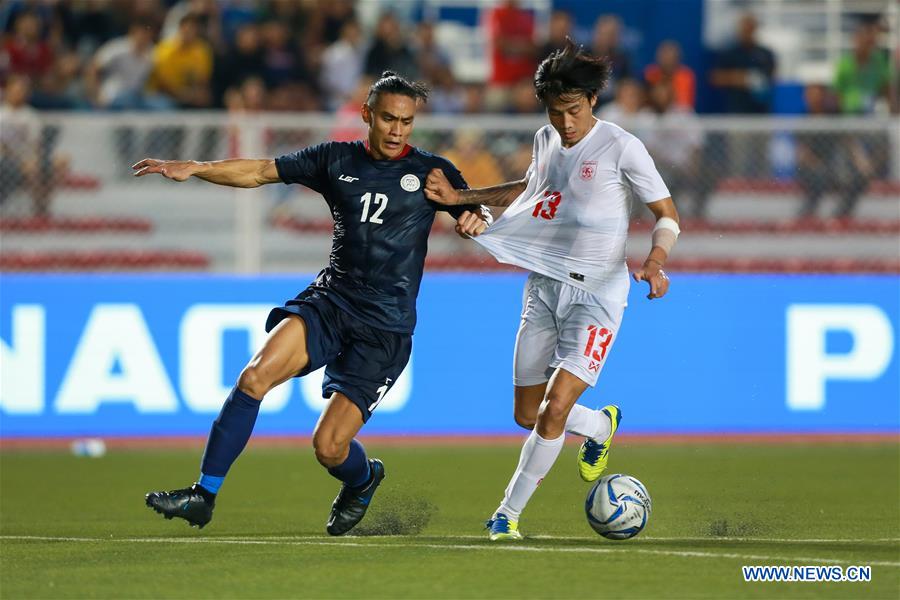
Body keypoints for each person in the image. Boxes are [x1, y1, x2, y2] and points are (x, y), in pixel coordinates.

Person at [135, 71, 490, 536]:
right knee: (253, 377)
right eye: (388, 119)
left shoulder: (433, 171)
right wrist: (198, 167)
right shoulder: (333, 158)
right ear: (367, 115)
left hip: (384, 327)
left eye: (406, 121)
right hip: (331, 301)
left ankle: (364, 480)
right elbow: (261, 171)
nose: (398, 130)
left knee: (328, 447)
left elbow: (471, 206)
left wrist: (475, 218)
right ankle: (203, 495)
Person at [424, 40, 679, 541]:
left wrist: (654, 261)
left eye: (574, 110)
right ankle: (602, 427)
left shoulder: (622, 147)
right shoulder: (545, 139)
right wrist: (462, 199)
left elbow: (666, 215)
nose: (565, 123)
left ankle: (506, 515)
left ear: (592, 101)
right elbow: (530, 192)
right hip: (544, 289)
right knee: (528, 413)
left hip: (599, 296)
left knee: (553, 409)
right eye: (555, 111)